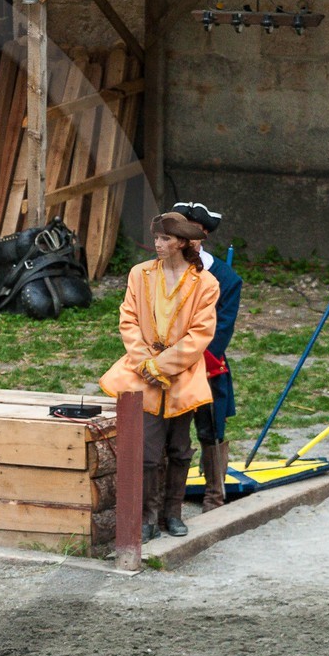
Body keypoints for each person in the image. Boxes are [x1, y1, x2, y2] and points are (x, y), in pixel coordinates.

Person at [100, 212, 220, 541]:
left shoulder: (205, 283)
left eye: (165, 238)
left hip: (181, 376)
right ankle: (147, 515)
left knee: (181, 448)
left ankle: (173, 512)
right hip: (144, 375)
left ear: (182, 242)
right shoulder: (140, 274)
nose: (158, 244)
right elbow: (128, 320)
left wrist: (164, 365)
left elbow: (200, 333)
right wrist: (145, 364)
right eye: (156, 238)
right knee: (148, 452)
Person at [173, 201, 242, 511]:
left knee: (210, 428)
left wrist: (190, 358)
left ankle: (214, 496)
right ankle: (165, 499)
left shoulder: (226, 279)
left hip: (205, 364)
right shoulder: (161, 271)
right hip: (168, 362)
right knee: (169, 432)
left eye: (192, 232)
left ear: (202, 236)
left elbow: (220, 330)